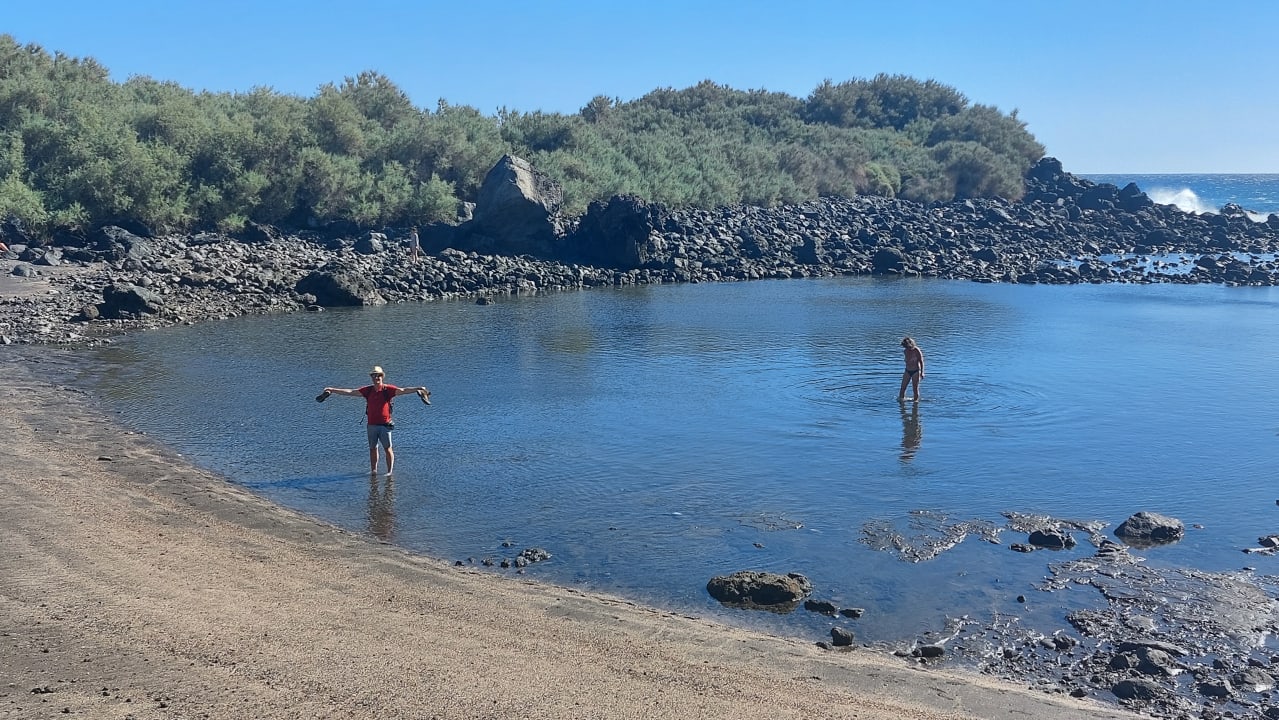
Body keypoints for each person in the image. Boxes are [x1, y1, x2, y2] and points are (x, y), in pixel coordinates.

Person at [318, 366, 430, 476]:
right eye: (374, 376)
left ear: (382, 377)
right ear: (371, 377)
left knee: (387, 448)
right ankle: (373, 471)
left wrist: (418, 388)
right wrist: (332, 390)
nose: (376, 378)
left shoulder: (388, 390)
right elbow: (351, 392)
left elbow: (403, 390)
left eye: (378, 376)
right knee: (372, 449)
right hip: (371, 425)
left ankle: (389, 472)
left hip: (385, 425)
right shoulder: (368, 390)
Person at [898, 336, 925, 401]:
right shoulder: (905, 351)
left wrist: (922, 372)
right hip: (907, 371)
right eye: (905, 347)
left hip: (915, 371)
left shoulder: (916, 350)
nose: (906, 348)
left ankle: (915, 404)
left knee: (915, 389)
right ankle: (901, 405)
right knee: (902, 388)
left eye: (907, 346)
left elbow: (921, 361)